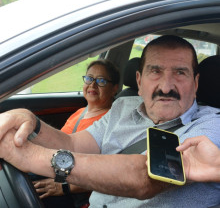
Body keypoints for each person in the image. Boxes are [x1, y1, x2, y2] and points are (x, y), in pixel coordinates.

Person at [0, 35, 220, 207]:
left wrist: (29, 156)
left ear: (196, 82)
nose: (166, 86)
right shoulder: (123, 107)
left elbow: (144, 177)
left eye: (180, 73)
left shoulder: (211, 127)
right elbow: (73, 145)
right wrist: (31, 122)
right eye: (155, 71)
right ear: (139, 80)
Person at [33, 59, 120, 208]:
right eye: (89, 78)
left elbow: (106, 174)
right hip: (56, 172)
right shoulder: (80, 112)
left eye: (101, 81)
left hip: (74, 194)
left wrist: (63, 187)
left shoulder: (111, 122)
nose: (92, 85)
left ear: (114, 89)